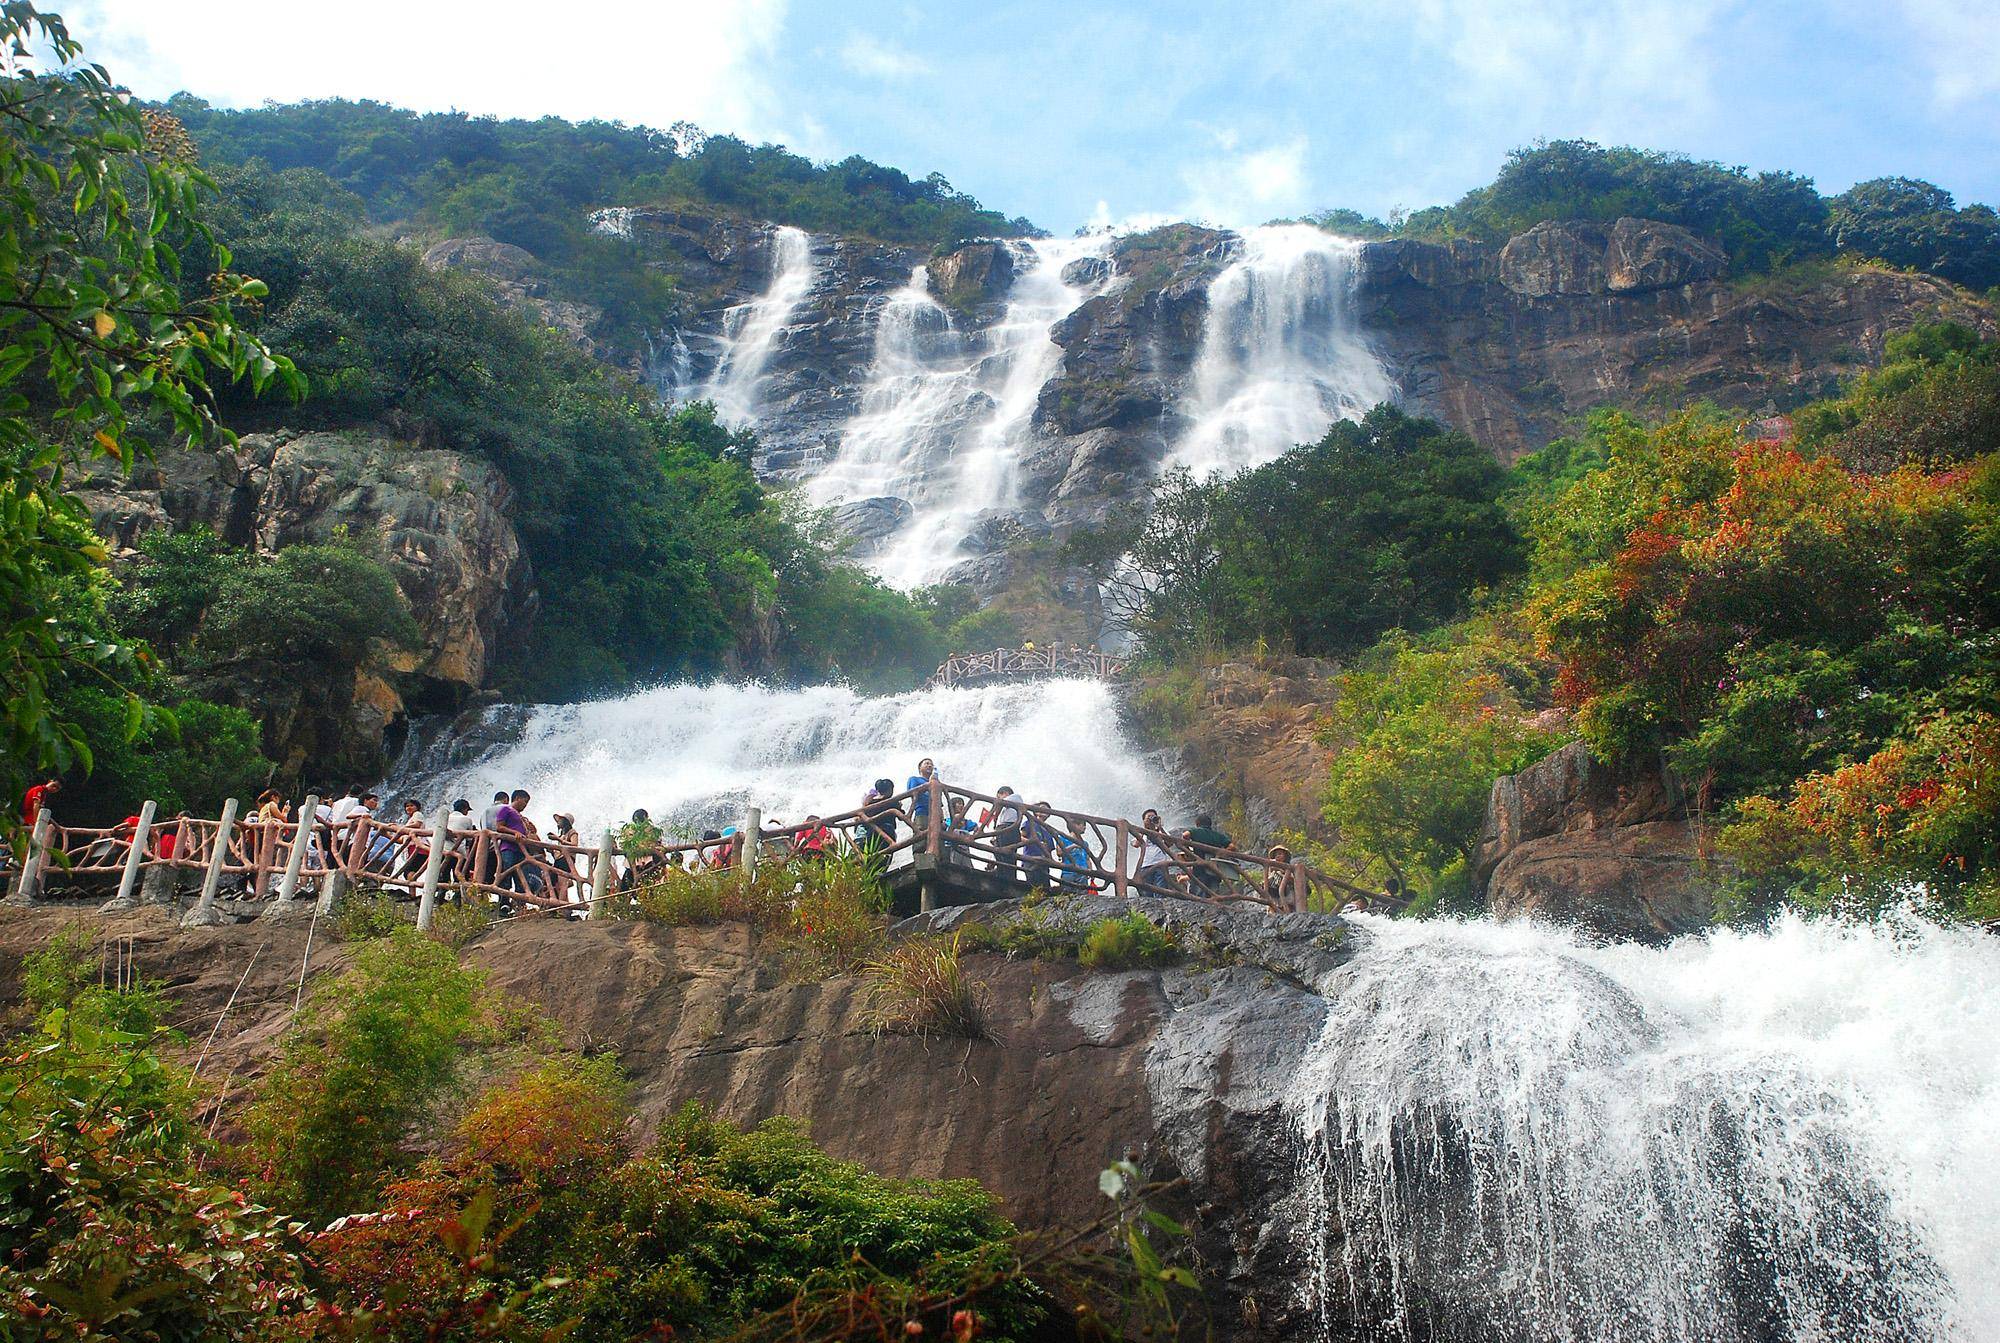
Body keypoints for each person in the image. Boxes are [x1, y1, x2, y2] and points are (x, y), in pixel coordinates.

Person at [492, 790, 543, 907]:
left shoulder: (520, 816)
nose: (526, 805)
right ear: (518, 798)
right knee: (506, 871)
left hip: (521, 850)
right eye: (525, 802)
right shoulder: (506, 809)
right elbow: (499, 827)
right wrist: (514, 832)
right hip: (508, 847)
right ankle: (504, 901)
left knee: (520, 875)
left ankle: (519, 903)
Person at [1181, 813, 1233, 897]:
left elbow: (1185, 835)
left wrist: (1187, 849)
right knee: (1213, 894)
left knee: (1198, 895)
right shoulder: (1218, 835)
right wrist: (1221, 852)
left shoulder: (1196, 831)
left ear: (1197, 823)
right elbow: (1232, 847)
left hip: (1199, 869)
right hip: (1215, 870)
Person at [1134, 808, 1176, 895]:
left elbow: (1170, 843)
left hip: (1160, 864)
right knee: (1146, 893)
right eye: (1148, 817)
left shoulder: (1161, 832)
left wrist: (1160, 827)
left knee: (1161, 891)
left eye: (1153, 817)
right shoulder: (1140, 833)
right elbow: (1136, 844)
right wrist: (1144, 830)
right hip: (1145, 865)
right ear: (1144, 820)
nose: (1151, 819)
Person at [984, 786, 1023, 878]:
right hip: (1001, 829)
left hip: (1009, 828)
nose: (997, 799)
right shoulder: (1005, 809)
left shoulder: (1015, 797)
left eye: (998, 796)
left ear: (1004, 793)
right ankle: (1001, 875)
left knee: (1008, 855)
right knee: (999, 854)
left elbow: (999, 803)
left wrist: (996, 811)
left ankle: (1010, 878)